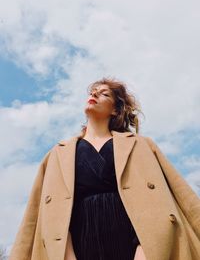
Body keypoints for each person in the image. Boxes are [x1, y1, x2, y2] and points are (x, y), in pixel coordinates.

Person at [9, 78, 200, 260]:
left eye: (104, 94)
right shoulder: (57, 154)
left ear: (116, 110)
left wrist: (145, 250)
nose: (95, 94)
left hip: (136, 246)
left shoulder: (141, 145)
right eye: (93, 92)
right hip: (78, 249)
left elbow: (171, 196)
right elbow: (41, 216)